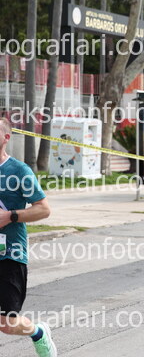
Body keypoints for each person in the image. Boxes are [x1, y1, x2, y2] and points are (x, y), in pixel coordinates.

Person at [0, 118, 56, 356]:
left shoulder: (19, 171)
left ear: (6, 137)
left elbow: (43, 209)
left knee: (7, 324)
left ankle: (38, 333)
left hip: (9, 254)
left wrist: (9, 216)